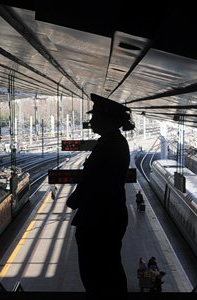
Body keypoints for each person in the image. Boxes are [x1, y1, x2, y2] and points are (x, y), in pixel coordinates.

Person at [66, 93, 135, 297]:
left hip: (99, 220)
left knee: (97, 273)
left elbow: (95, 180)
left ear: (106, 119)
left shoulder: (108, 146)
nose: (91, 121)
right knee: (109, 268)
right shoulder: (114, 143)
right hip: (107, 217)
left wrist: (75, 199)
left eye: (94, 117)